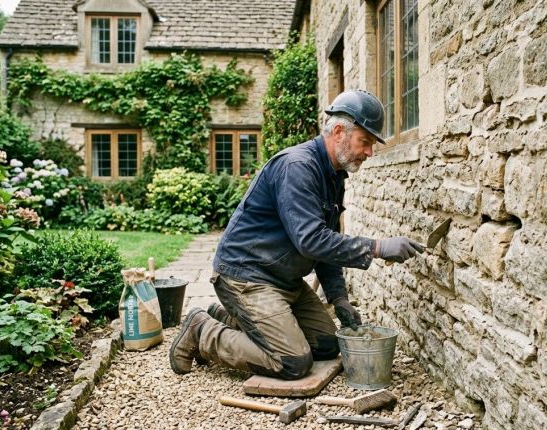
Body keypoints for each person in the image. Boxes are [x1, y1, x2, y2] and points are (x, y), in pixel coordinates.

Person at [169, 90, 424, 380]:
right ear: (339, 131)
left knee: (327, 344)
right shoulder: (298, 167)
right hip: (246, 277)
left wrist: (339, 298)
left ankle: (226, 317)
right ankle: (201, 330)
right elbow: (311, 239)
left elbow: (325, 244)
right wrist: (377, 247)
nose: (369, 152)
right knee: (292, 362)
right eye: (364, 141)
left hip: (282, 279)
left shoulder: (333, 175)